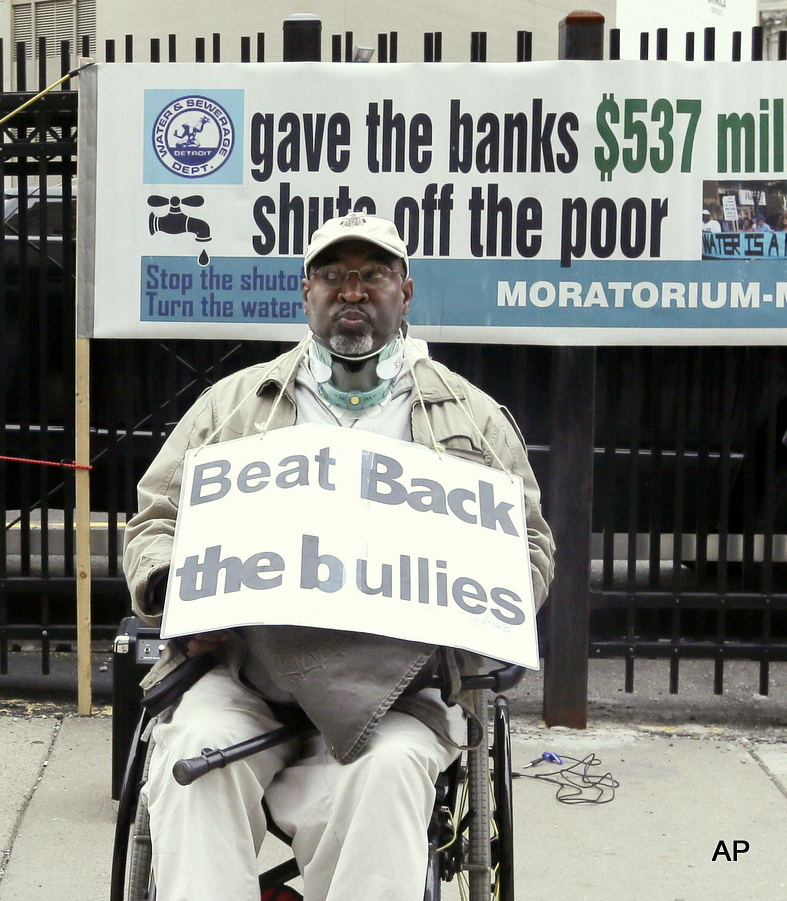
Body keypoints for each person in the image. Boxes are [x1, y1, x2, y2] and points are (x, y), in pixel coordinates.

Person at [122, 213, 555, 901]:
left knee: (390, 776)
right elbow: (157, 519)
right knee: (190, 755)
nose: (351, 291)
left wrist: (485, 605)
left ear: (405, 293)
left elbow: (530, 544)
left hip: (398, 694)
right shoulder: (234, 406)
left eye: (372, 275)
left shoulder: (472, 420)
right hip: (248, 677)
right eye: (332, 274)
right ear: (307, 292)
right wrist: (177, 585)